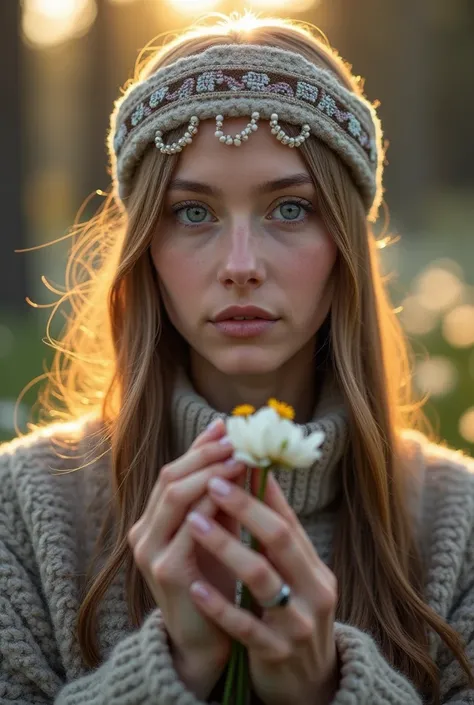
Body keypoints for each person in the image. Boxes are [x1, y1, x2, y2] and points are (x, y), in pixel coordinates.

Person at [1, 12, 473, 705]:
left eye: (290, 209)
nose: (241, 266)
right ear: (146, 249)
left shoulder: (457, 526)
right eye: (193, 213)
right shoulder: (24, 512)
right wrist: (177, 665)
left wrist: (325, 687)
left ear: (345, 238)